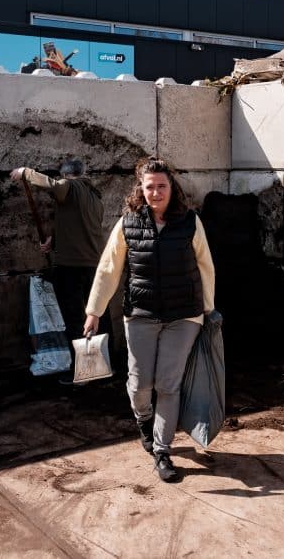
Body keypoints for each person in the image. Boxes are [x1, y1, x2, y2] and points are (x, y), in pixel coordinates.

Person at [82, 157, 215, 483]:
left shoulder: (190, 222)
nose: (156, 192)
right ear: (141, 189)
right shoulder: (128, 223)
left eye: (162, 186)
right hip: (141, 314)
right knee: (141, 383)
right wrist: (94, 311)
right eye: (150, 186)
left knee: (168, 384)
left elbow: (205, 266)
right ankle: (144, 419)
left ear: (172, 188)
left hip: (183, 316)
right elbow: (108, 269)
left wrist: (209, 310)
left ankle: (162, 450)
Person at [10, 160, 110, 380]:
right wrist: (54, 241)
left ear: (68, 175)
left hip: (72, 267)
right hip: (94, 265)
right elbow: (81, 227)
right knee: (96, 317)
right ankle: (102, 369)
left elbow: (56, 186)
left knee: (75, 319)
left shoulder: (71, 187)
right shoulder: (95, 197)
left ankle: (82, 371)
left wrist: (25, 172)